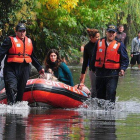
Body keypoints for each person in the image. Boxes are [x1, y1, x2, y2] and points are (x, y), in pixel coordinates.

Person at [0, 23, 44, 105]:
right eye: (20, 31)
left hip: (25, 68)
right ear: (16, 32)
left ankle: (17, 107)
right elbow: (1, 53)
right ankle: (11, 105)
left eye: (24, 31)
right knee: (11, 87)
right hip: (11, 68)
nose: (22, 33)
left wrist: (39, 68)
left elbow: (32, 56)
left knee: (21, 90)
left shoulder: (29, 41)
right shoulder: (9, 40)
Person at [90, 25, 129, 103]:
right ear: (106, 32)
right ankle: (100, 112)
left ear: (115, 34)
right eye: (109, 32)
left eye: (113, 32)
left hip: (112, 73)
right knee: (100, 95)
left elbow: (125, 59)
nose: (111, 34)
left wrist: (122, 69)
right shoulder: (99, 43)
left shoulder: (119, 44)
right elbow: (94, 57)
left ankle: (110, 113)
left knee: (110, 93)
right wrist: (93, 68)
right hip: (100, 73)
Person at [80, 28, 100, 98]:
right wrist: (82, 77)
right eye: (97, 37)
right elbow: (85, 63)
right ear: (91, 37)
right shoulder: (87, 47)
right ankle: (93, 104)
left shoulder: (101, 44)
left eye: (99, 37)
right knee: (94, 89)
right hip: (93, 70)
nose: (98, 38)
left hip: (102, 70)